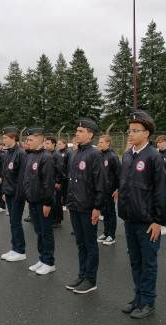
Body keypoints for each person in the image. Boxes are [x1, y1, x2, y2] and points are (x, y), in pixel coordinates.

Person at [118, 110, 166, 319]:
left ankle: (148, 301)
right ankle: (138, 297)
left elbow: (160, 191)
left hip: (148, 222)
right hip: (130, 218)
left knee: (148, 262)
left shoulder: (153, 156)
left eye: (135, 130)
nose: (130, 134)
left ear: (146, 133)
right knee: (135, 261)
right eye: (129, 130)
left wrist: (158, 221)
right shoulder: (128, 154)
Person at [65, 118, 106, 294]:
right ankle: (82, 275)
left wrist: (97, 208)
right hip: (75, 206)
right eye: (77, 130)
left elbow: (100, 184)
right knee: (80, 243)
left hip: (88, 207)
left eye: (80, 131)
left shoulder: (94, 154)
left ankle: (91, 279)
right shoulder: (75, 153)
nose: (77, 133)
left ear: (90, 134)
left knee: (90, 244)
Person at [24, 128, 56, 275]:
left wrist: (47, 203)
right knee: (38, 232)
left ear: (39, 140)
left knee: (46, 232)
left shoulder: (46, 157)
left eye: (30, 139)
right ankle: (42, 258)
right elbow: (28, 179)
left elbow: (48, 183)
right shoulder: (30, 156)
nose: (27, 142)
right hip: (33, 201)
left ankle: (49, 262)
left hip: (43, 202)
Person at [1, 126, 28, 262]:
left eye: (5, 138)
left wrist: (18, 195)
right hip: (10, 193)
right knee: (12, 222)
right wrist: (5, 192)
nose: (3, 140)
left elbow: (22, 178)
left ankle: (20, 250)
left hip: (17, 195)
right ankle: (14, 248)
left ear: (13, 138)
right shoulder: (8, 153)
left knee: (15, 222)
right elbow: (7, 175)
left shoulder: (20, 153)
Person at [97, 135, 121, 246]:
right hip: (102, 190)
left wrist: (118, 189)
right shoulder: (99, 155)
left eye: (102, 142)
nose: (99, 144)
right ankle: (106, 233)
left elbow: (119, 174)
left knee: (111, 213)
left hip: (111, 190)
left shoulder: (112, 156)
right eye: (99, 142)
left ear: (108, 143)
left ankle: (112, 235)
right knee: (105, 212)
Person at [44, 136, 65, 228]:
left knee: (57, 202)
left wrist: (58, 181)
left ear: (54, 144)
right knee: (51, 201)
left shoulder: (57, 154)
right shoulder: (47, 153)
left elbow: (60, 169)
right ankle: (52, 218)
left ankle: (57, 220)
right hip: (49, 181)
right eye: (45, 143)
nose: (45, 145)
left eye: (48, 143)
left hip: (55, 182)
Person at [155, 135, 166, 235]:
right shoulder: (155, 154)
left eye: (161, 142)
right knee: (158, 204)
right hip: (157, 185)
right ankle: (160, 223)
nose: (159, 144)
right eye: (158, 142)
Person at [57, 139, 71, 211]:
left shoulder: (68, 152)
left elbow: (69, 165)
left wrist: (67, 175)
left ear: (64, 144)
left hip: (65, 176)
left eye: (60, 144)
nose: (58, 145)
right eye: (58, 144)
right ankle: (62, 203)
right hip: (60, 175)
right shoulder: (58, 152)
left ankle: (65, 203)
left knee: (65, 191)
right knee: (60, 191)